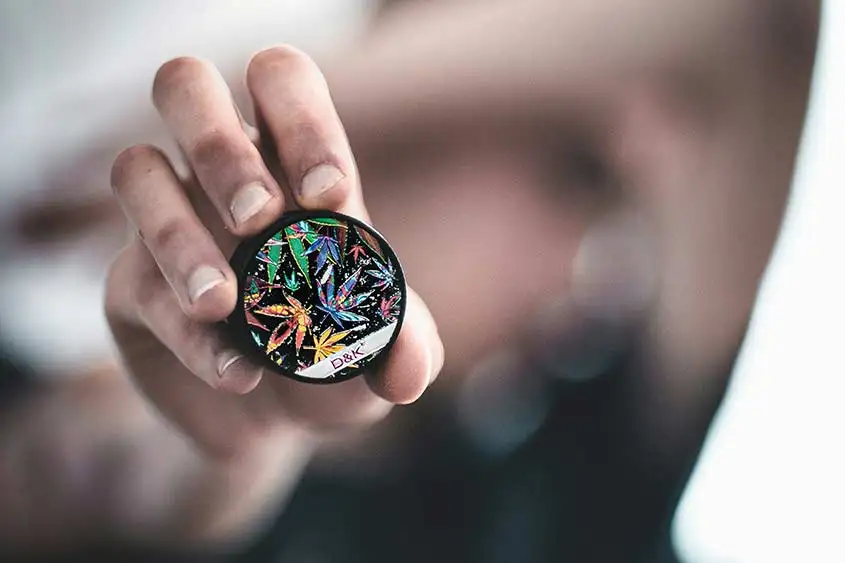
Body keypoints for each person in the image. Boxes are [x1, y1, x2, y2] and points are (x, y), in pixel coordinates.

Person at [0, 0, 827, 560]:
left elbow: (761, 30)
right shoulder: (50, 310)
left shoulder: (528, 498)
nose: (582, 290)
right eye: (578, 179)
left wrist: (308, 83)